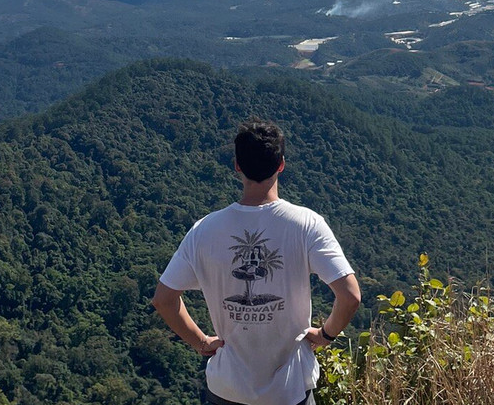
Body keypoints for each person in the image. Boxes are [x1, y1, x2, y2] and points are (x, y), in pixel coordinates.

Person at [153, 119, 361, 405]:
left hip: (227, 389)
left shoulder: (204, 230)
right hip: (289, 391)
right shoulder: (306, 225)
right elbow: (350, 296)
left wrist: (201, 342)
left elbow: (163, 299)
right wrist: (326, 334)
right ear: (281, 165)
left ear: (237, 166)